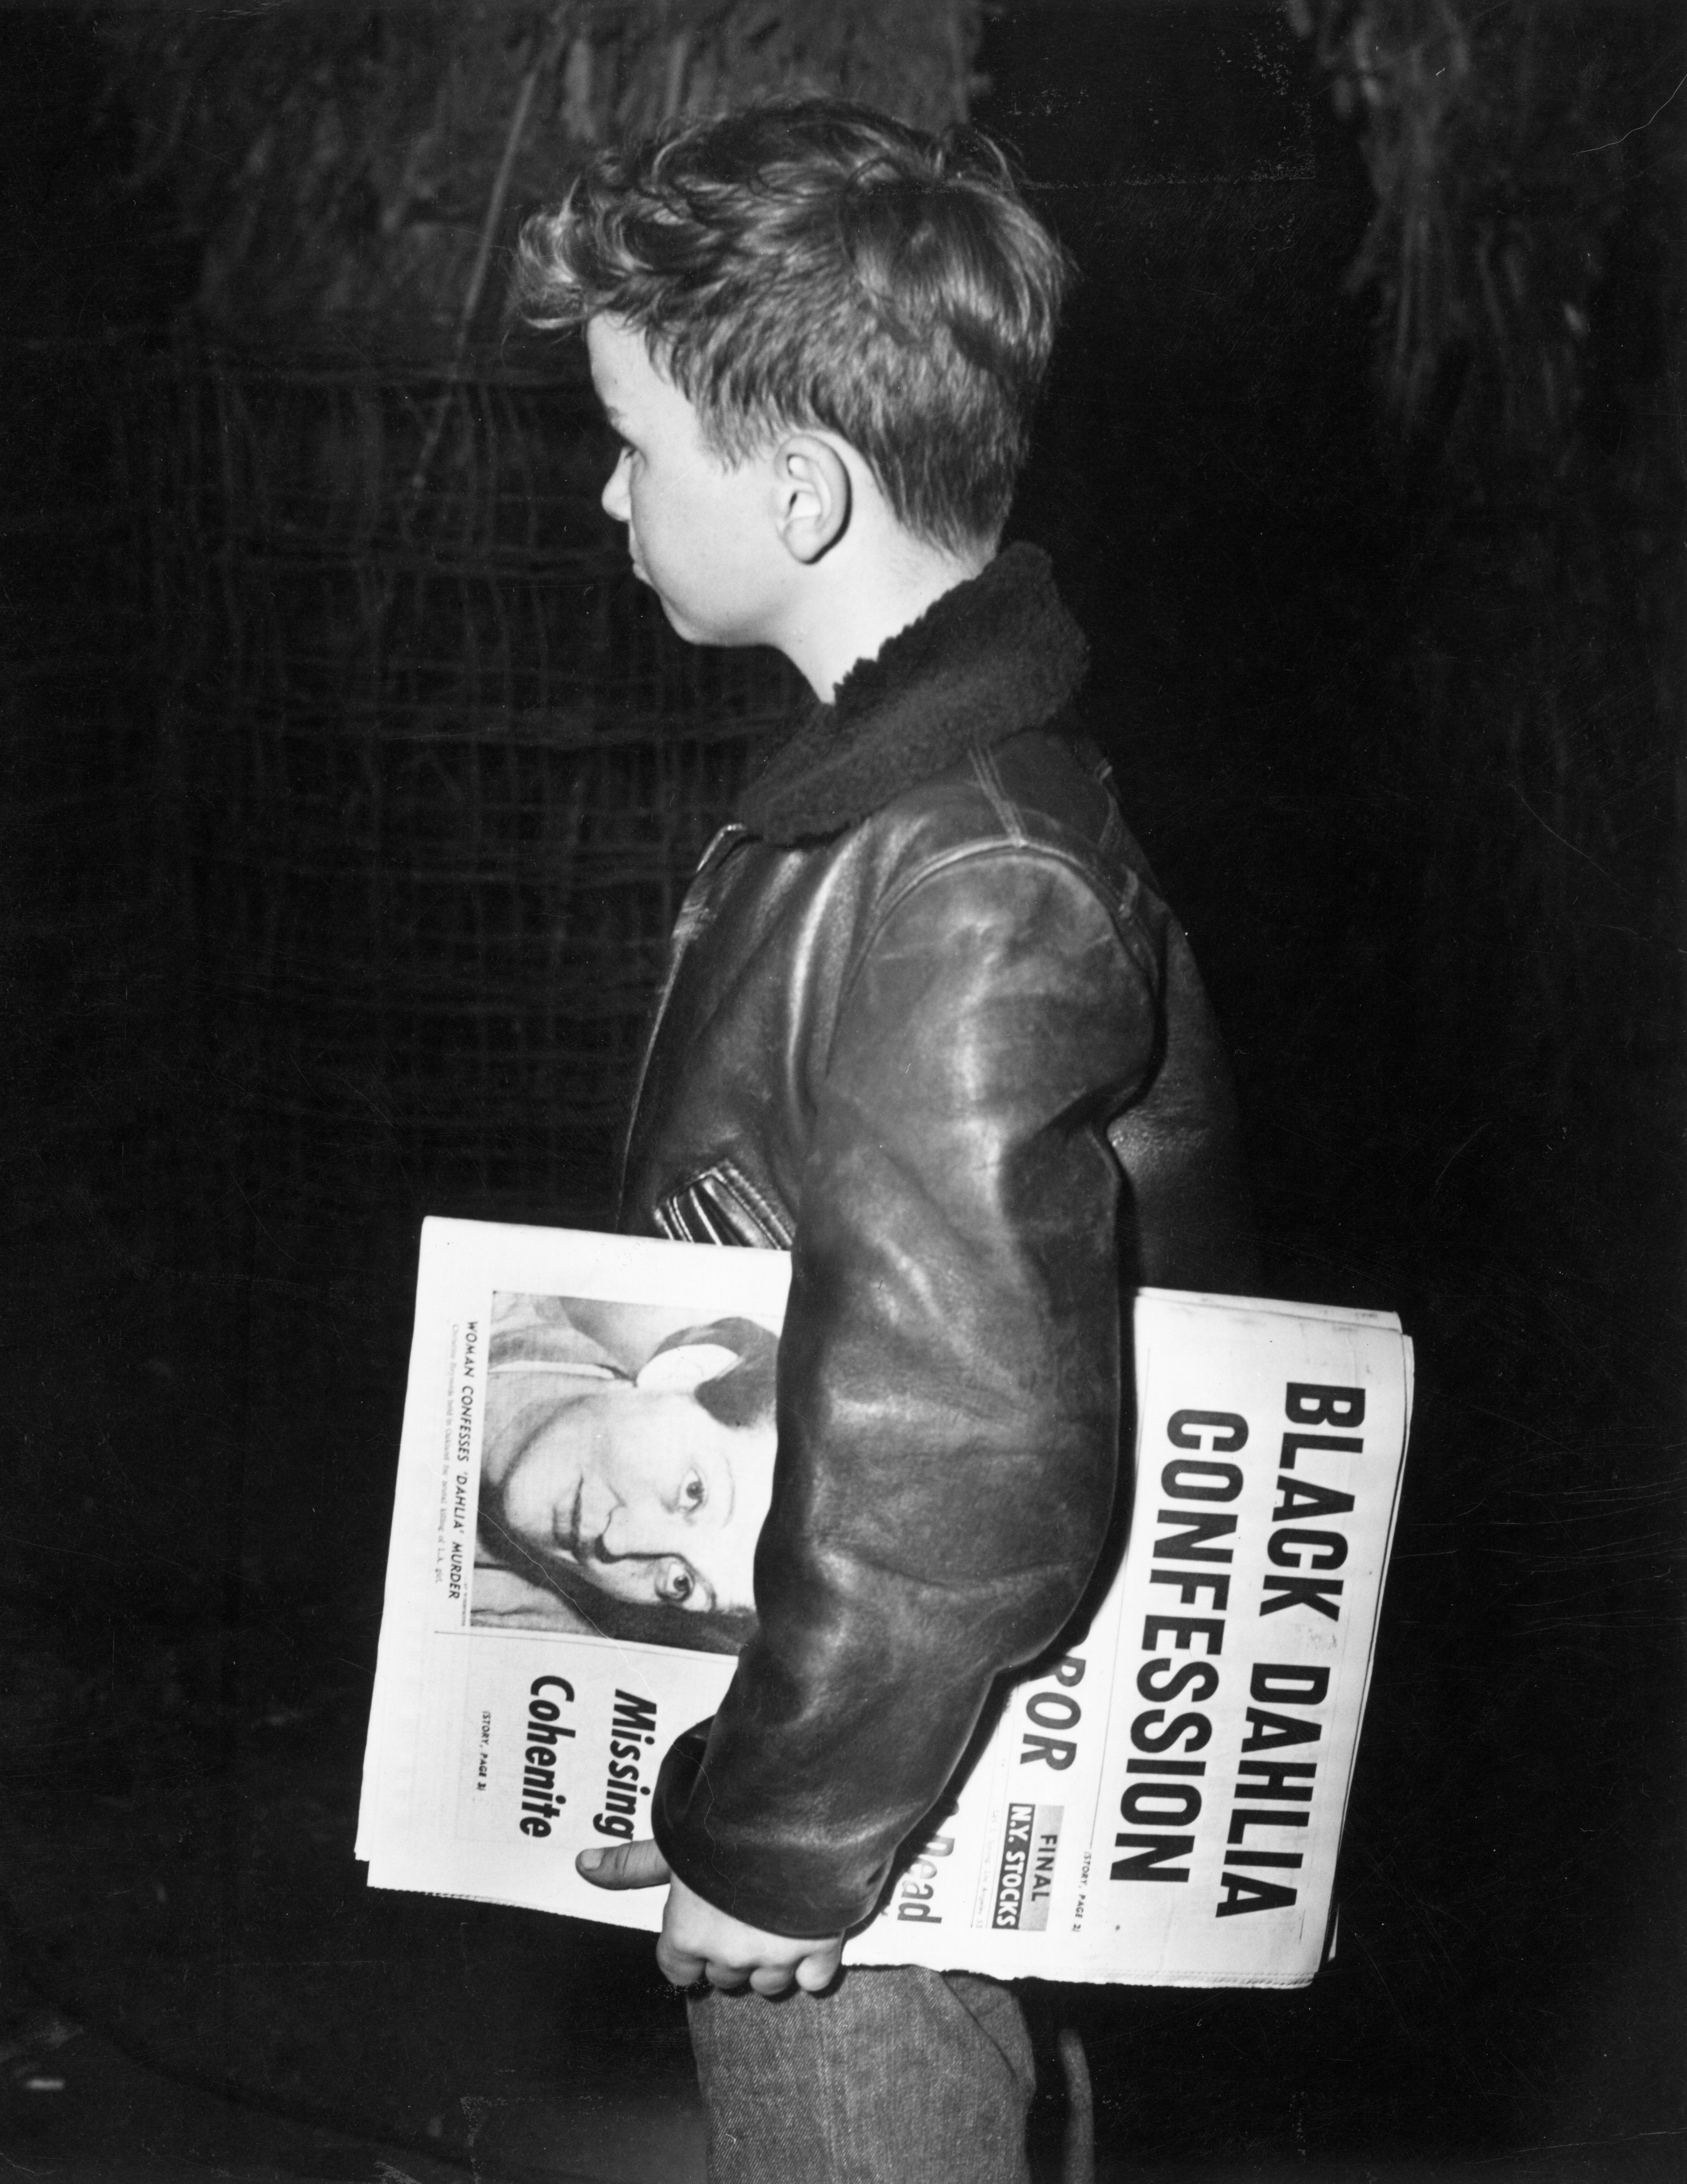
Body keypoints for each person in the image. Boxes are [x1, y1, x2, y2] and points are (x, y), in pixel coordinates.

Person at [513, 99, 1258, 2184]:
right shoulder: (892, 796)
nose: (605, 489)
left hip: (876, 1818)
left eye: (636, 446)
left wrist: (777, 1833)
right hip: (891, 1745)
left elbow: (961, 1442)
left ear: (805, 491)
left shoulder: (964, 868)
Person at [473, 1293, 777, 1651]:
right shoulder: (486, 1284)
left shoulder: (517, 1646)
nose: (617, 1541)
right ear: (685, 1372)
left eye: (682, 1583)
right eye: (694, 1492)